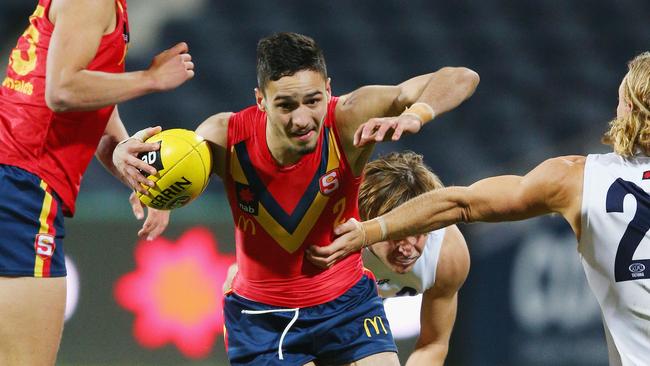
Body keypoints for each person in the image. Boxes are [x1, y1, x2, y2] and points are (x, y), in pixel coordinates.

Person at [116, 32, 479, 365]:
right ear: (261, 100)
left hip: (348, 304)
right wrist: (128, 163)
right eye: (286, 105)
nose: (303, 118)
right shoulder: (225, 136)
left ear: (329, 89)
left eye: (313, 100)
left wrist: (417, 113)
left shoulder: (349, 118)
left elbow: (462, 76)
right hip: (262, 319)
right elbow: (166, 166)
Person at [317, 52, 650, 366]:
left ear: (630, 109)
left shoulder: (575, 178)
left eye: (620, 98)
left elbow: (460, 204)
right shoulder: (326, 227)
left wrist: (368, 233)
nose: (408, 245)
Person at [0, 0, 194, 365]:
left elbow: (92, 103)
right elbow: (62, 90)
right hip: (22, 187)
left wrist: (130, 167)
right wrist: (150, 79)